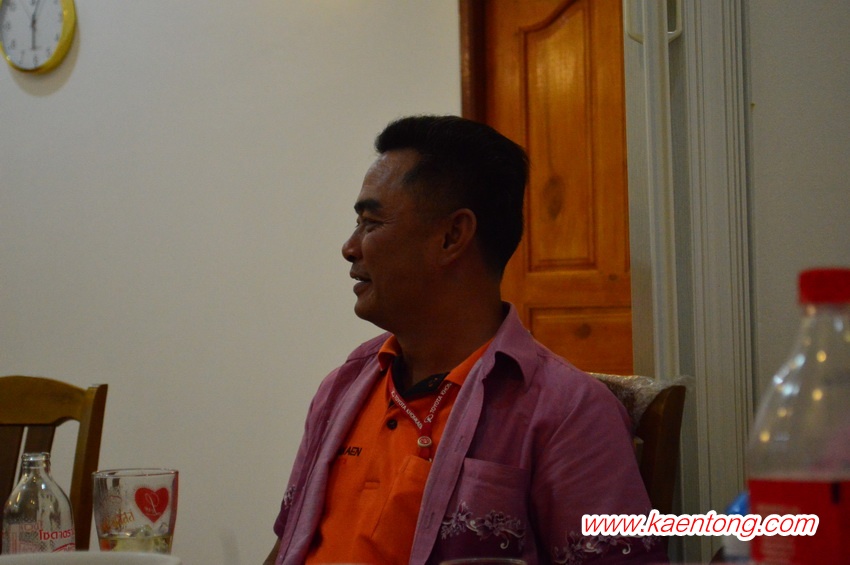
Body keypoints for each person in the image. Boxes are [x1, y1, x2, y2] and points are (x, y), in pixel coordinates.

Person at [266, 115, 666, 564]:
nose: (350, 247)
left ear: (452, 236)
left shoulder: (566, 412)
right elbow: (289, 546)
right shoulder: (343, 388)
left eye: (371, 223)